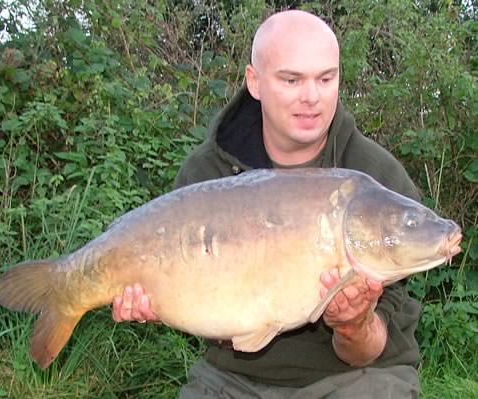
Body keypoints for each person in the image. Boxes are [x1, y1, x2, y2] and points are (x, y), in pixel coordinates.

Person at [112, 10, 422, 399]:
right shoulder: (207, 172)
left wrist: (354, 323)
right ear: (254, 82)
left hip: (355, 378)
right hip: (233, 377)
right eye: (292, 79)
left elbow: (370, 351)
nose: (312, 96)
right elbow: (215, 322)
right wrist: (159, 299)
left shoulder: (375, 180)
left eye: (326, 78)